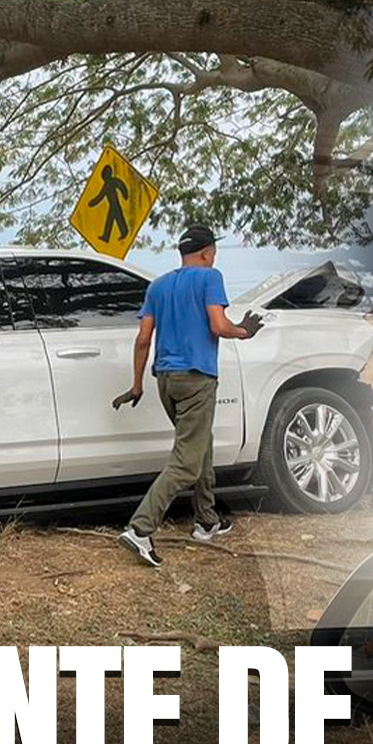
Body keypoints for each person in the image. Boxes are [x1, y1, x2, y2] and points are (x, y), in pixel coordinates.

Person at [116, 223, 262, 567]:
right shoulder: (210, 278)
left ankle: (206, 520)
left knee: (199, 445)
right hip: (197, 379)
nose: (215, 257)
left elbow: (142, 340)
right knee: (185, 462)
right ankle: (140, 528)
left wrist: (137, 384)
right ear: (207, 252)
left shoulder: (158, 285)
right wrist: (244, 331)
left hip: (165, 381)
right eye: (214, 252)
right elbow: (218, 325)